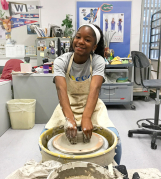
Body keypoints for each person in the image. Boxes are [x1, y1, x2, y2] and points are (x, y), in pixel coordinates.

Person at [41, 24, 122, 164]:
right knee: (43, 140)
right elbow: (61, 90)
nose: (80, 42)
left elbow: (95, 89)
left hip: (92, 104)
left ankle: (115, 174)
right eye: (78, 37)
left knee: (116, 143)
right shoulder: (61, 61)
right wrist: (69, 118)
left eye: (87, 40)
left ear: (94, 46)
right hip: (68, 103)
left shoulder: (98, 61)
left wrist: (86, 117)